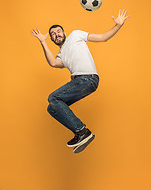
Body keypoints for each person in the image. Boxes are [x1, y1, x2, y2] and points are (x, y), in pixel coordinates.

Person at [31, 9, 130, 153]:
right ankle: (80, 133)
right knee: (52, 107)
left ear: (64, 33)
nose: (56, 34)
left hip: (87, 78)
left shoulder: (76, 35)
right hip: (81, 82)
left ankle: (82, 131)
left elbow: (102, 38)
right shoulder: (61, 54)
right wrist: (43, 42)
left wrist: (118, 26)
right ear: (52, 39)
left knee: (53, 97)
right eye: (53, 34)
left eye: (58, 31)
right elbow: (53, 63)